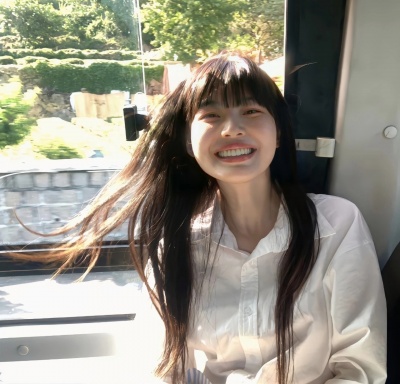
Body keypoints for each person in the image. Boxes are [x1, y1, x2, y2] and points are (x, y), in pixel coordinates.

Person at [21, 53, 386, 384]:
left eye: (251, 111)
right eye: (211, 115)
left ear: (278, 133)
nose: (231, 129)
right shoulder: (178, 243)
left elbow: (361, 367)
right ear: (188, 142)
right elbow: (156, 363)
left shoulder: (336, 225)